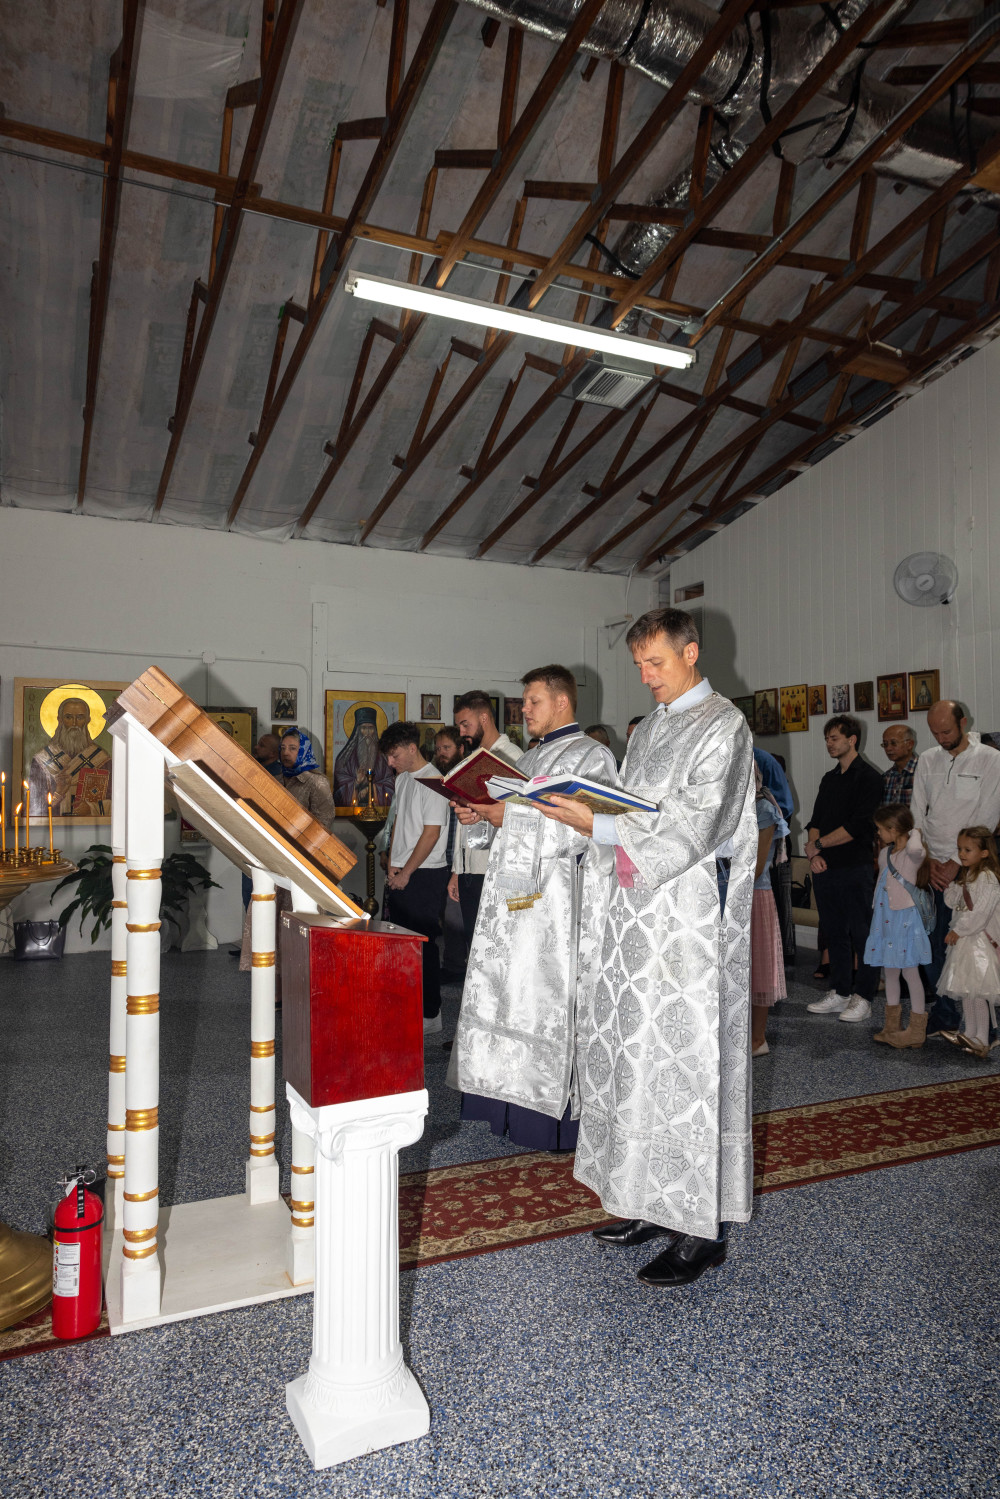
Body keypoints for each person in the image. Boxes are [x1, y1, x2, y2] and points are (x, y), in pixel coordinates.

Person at [542, 608, 756, 1289]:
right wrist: (587, 813)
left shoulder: (724, 725)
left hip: (688, 926)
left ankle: (700, 1231)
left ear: (691, 652)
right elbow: (630, 807)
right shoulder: (655, 726)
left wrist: (601, 825)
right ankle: (645, 1200)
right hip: (638, 921)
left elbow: (698, 825)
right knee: (637, 1060)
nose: (646, 676)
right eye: (638, 665)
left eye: (655, 662)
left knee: (685, 1068)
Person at [449, 666, 616, 1151]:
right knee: (509, 995)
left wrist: (509, 814)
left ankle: (553, 1120)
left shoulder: (591, 757)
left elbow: (590, 830)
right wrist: (480, 815)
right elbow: (507, 829)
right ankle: (505, 1106)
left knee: (541, 1002)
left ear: (562, 702)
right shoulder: (528, 757)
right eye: (524, 702)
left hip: (555, 911)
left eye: (532, 701)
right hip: (514, 905)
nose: (523, 710)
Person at [910, 701, 1000, 1036]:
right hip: (932, 865)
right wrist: (926, 858)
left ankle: (984, 1024)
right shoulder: (927, 759)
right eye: (934, 732)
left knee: (974, 946)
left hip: (969, 866)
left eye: (946, 731)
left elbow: (988, 815)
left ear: (963, 723)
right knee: (932, 944)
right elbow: (917, 811)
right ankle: (946, 1013)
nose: (941, 738)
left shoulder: (990, 759)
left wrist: (955, 861)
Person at [804, 715, 883, 1024]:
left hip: (854, 865)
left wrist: (818, 845)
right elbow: (816, 821)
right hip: (825, 866)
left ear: (852, 740)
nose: (829, 743)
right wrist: (813, 853)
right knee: (834, 931)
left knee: (862, 933)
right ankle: (840, 991)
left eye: (834, 738)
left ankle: (864, 997)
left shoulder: (870, 778)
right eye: (827, 738)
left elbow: (857, 826)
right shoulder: (829, 778)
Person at [379, 721, 449, 1034]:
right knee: (401, 945)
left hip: (425, 873)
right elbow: (397, 822)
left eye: (394, 755)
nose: (390, 762)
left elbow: (431, 834)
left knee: (423, 945)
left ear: (411, 748)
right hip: (402, 871)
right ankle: (408, 1006)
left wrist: (406, 872)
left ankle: (431, 1014)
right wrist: (392, 862)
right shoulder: (404, 778)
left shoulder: (434, 781)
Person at [448, 690, 522, 949]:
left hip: (495, 869)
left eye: (465, 724)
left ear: (484, 718)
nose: (461, 732)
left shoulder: (513, 757)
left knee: (494, 946)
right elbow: (463, 823)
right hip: (470, 869)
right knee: (474, 946)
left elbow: (521, 815)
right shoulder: (472, 759)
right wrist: (457, 870)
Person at [865, 804, 933, 1049]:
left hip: (905, 919)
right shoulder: (885, 853)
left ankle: (916, 1030)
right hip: (885, 918)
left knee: (910, 972)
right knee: (891, 971)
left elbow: (915, 848)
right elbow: (881, 883)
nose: (878, 833)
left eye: (881, 829)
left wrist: (914, 832)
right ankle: (891, 1027)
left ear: (894, 829)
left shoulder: (914, 854)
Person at [937, 826, 1000, 1059]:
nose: (961, 854)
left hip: (979, 942)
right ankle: (969, 1033)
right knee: (966, 990)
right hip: (966, 942)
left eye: (967, 850)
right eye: (960, 849)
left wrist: (959, 930)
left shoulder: (987, 878)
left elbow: (981, 912)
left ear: (984, 853)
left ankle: (982, 1038)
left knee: (978, 992)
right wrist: (953, 886)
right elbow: (954, 903)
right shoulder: (969, 875)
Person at [751, 762, 789, 1056]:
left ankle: (758, 1038)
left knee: (759, 971)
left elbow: (757, 865)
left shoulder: (764, 809)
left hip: (755, 895)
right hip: (733, 894)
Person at [29, 696, 111, 816]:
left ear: (88, 720)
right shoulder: (42, 759)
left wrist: (92, 808)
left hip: (89, 824)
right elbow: (34, 807)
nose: (74, 723)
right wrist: (58, 792)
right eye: (68, 717)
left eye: (80, 717)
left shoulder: (101, 759)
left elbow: (117, 799)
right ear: (60, 719)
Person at [754, 747, 796, 964]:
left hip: (772, 833)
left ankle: (783, 954)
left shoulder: (764, 760)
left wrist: (769, 828)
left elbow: (784, 806)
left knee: (779, 899)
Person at [333, 706, 394, 807]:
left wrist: (372, 788)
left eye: (371, 728)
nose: (368, 733)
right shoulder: (344, 758)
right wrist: (356, 783)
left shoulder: (385, 758)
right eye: (364, 728)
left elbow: (390, 785)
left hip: (379, 812)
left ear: (375, 730)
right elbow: (338, 789)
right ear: (358, 730)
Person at [278, 729, 336, 831]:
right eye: (283, 748)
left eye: (292, 748)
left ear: (304, 751)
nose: (285, 753)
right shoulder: (275, 779)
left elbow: (323, 825)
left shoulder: (317, 782)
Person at [880, 724, 919, 806]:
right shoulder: (885, 777)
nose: (888, 748)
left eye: (893, 743)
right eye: (885, 744)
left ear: (910, 744)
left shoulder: (924, 772)